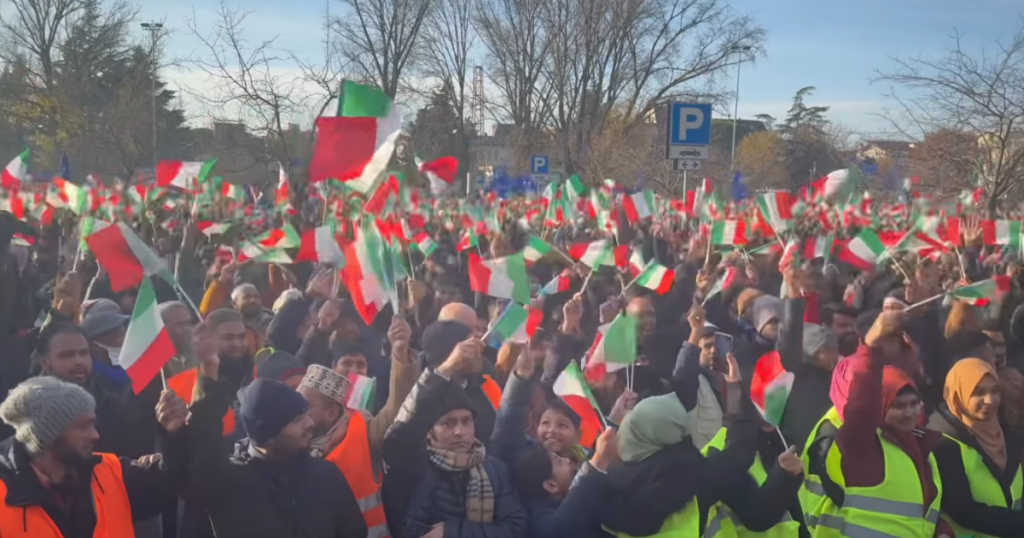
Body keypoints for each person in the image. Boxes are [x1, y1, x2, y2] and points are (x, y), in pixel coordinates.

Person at [183, 350, 367, 538]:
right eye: (296, 420)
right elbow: (195, 455)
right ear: (269, 435)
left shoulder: (326, 475)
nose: (309, 423)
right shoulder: (228, 482)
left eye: (305, 414)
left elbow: (353, 532)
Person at [0, 376, 189, 537]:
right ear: (47, 433)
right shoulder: (3, 490)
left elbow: (169, 483)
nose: (95, 435)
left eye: (93, 424)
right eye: (82, 426)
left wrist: (174, 435)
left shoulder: (111, 471)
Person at [382, 336, 527, 538]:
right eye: (448, 423)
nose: (460, 431)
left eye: (466, 421)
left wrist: (451, 532)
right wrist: (445, 369)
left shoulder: (494, 469)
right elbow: (402, 433)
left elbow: (515, 528)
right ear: (429, 431)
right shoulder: (414, 465)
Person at [297, 313, 419, 538]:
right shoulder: (289, 439)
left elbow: (398, 409)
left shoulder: (363, 428)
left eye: (305, 407)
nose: (297, 414)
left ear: (331, 412)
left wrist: (400, 353)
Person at [817, 340, 955, 538]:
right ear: (879, 407)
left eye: (914, 404)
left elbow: (922, 510)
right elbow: (861, 408)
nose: (909, 413)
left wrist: (943, 532)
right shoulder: (864, 447)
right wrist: (871, 348)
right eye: (898, 406)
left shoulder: (920, 444)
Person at [929, 358, 1024, 536]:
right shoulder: (943, 441)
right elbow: (961, 509)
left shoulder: (1008, 432)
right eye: (978, 392)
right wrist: (1018, 525)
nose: (989, 400)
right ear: (959, 395)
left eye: (995, 391)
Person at [167, 308, 255, 437]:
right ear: (209, 340)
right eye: (228, 338)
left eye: (241, 337)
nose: (237, 344)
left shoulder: (261, 375)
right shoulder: (179, 386)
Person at [79, 303, 130, 388]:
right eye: (116, 336)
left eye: (125, 333)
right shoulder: (95, 375)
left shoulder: (117, 365)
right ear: (96, 346)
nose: (125, 339)